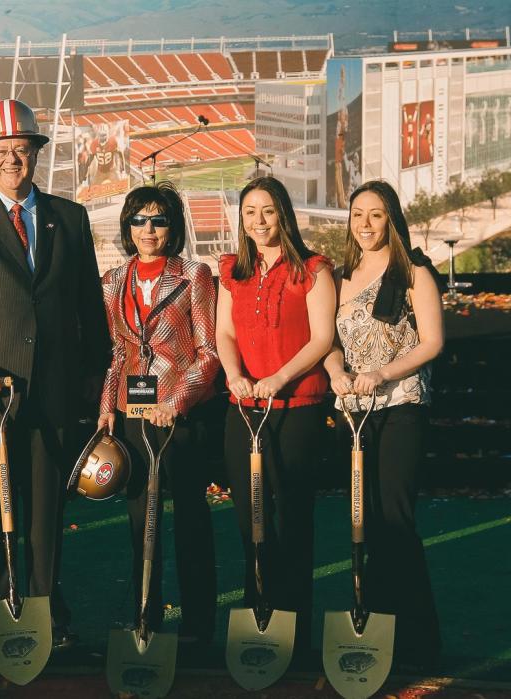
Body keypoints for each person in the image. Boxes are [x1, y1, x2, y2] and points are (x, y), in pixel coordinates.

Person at [0, 98, 110, 650]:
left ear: (35, 154)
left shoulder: (70, 217)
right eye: (2, 150)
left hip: (53, 393)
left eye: (22, 149)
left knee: (46, 511)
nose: (13, 159)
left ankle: (45, 611)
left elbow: (87, 306)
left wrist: (96, 377)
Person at [323, 179, 443, 667]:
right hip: (354, 414)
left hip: (400, 407)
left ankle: (416, 639)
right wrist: (336, 372)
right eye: (357, 215)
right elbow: (329, 341)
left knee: (395, 519)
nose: (365, 225)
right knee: (363, 522)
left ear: (391, 218)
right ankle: (373, 628)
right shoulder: (341, 274)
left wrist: (381, 374)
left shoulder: (413, 272)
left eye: (375, 215)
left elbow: (432, 342)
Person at [215, 176, 336, 655]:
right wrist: (234, 376)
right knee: (252, 524)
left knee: (290, 522)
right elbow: (225, 334)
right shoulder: (233, 271)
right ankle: (258, 624)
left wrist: (277, 379)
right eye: (249, 212)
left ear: (283, 214)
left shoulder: (313, 270)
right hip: (243, 412)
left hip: (296, 410)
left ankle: (294, 631)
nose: (258, 221)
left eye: (267, 211)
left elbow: (322, 338)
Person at [95, 182, 219, 647]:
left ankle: (200, 627)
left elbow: (208, 353)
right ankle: (146, 619)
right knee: (139, 520)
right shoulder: (112, 281)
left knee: (190, 517)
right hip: (133, 409)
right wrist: (108, 407)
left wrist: (179, 399)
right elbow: (115, 352)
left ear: (173, 226)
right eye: (139, 220)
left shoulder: (194, 275)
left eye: (159, 219)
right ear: (128, 227)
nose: (149, 229)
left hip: (181, 415)